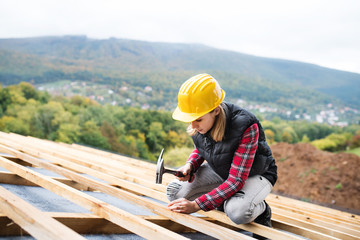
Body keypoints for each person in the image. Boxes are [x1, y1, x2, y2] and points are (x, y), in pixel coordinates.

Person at [167, 73, 277, 235]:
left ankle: (261, 210)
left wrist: (197, 205)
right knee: (175, 193)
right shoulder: (201, 122)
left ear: (216, 111)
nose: (193, 125)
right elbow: (202, 148)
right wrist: (191, 164)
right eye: (190, 119)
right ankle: (223, 198)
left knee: (237, 211)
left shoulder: (246, 125)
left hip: (255, 174)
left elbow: (236, 180)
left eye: (198, 119)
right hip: (223, 170)